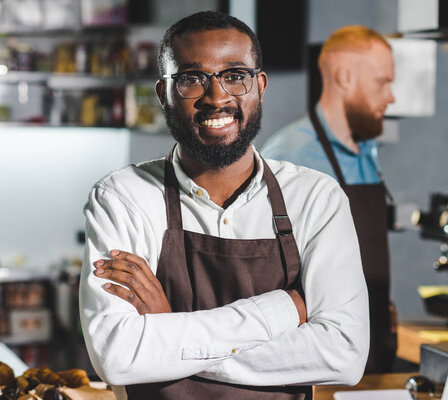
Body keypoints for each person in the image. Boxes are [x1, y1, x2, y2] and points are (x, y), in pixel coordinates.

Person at [79, 11, 369, 400]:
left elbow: (343, 355)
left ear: (259, 85)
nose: (217, 97)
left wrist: (169, 332)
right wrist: (282, 311)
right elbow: (118, 355)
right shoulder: (123, 197)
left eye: (235, 75)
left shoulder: (316, 198)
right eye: (191, 78)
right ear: (164, 92)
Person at [261, 25, 397, 373]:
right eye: (383, 82)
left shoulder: (365, 150)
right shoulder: (291, 155)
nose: (392, 96)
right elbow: (267, 267)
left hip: (373, 334)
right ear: (344, 77)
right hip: (318, 346)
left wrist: (378, 303)